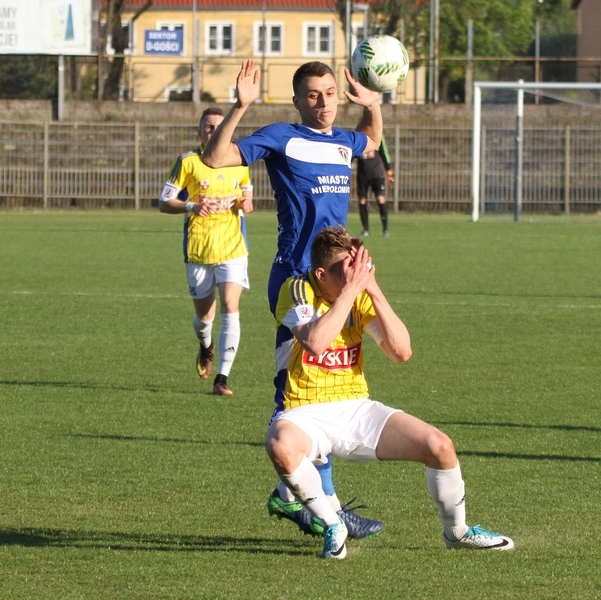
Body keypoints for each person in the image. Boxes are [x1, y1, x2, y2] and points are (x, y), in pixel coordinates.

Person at [202, 59, 384, 538]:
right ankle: (321, 506)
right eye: (313, 94)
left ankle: (293, 496)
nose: (323, 101)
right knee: (301, 391)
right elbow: (217, 158)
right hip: (296, 280)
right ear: (298, 100)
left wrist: (374, 104)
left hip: (335, 280)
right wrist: (240, 108)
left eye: (329, 92)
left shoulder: (343, 141)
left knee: (329, 386)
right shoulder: (283, 136)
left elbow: (372, 141)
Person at [265, 225, 514, 559]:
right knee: (279, 444)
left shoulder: (358, 292)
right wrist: (351, 292)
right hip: (302, 411)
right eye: (345, 270)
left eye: (358, 266)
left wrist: (373, 289)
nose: (354, 274)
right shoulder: (296, 288)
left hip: (354, 407)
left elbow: (401, 352)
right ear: (321, 274)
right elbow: (316, 342)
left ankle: (458, 532)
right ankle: (331, 523)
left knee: (440, 446)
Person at [159, 106, 254, 397]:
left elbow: (247, 193)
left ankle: (222, 378)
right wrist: (192, 206)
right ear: (200, 131)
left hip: (233, 246)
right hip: (199, 249)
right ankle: (206, 345)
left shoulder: (240, 161)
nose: (214, 131)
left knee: (230, 306)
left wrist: (245, 204)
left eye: (219, 126)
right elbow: (164, 203)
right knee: (204, 318)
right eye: (209, 127)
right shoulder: (187, 162)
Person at [355, 135, 393, 237]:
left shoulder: (377, 136)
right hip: (362, 176)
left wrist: (389, 170)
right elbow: (351, 154)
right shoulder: (358, 138)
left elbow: (384, 153)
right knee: (362, 201)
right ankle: (366, 230)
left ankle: (385, 230)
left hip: (377, 175)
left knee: (381, 199)